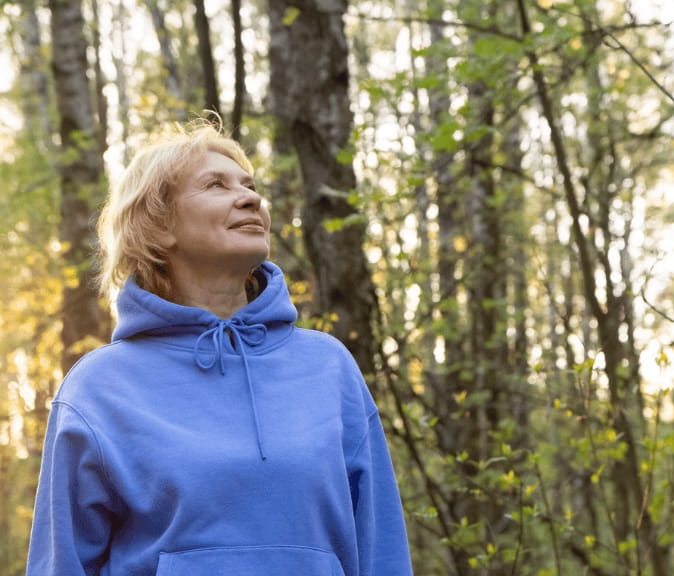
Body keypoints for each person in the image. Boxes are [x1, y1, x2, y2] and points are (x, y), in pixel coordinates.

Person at [26, 119, 413, 575]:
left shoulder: (328, 367)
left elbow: (381, 548)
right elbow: (61, 564)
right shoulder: (99, 388)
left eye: (250, 187)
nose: (250, 198)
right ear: (158, 224)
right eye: (215, 184)